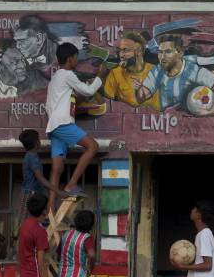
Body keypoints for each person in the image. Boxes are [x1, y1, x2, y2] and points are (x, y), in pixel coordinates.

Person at [45, 42, 108, 213]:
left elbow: (72, 99)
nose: (77, 62)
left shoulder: (56, 79)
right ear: (70, 59)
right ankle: (71, 185)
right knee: (92, 146)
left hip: (53, 126)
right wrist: (99, 77)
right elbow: (87, 92)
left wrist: (82, 90)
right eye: (76, 58)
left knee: (57, 168)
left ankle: (50, 208)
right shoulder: (67, 74)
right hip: (63, 123)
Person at [133, 34, 214, 116]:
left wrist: (211, 112)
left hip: (190, 126)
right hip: (168, 125)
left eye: (168, 52)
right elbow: (141, 98)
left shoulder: (192, 70)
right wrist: (138, 89)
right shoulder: (157, 70)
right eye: (160, 52)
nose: (162, 57)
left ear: (180, 53)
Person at [18, 129, 68, 226]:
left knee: (28, 223)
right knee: (26, 223)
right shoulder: (33, 158)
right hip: (30, 195)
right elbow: (40, 178)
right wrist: (58, 191)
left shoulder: (29, 156)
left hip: (32, 193)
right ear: (37, 143)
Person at [103, 31, 160, 111]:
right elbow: (108, 106)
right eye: (120, 50)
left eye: (125, 50)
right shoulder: (115, 73)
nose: (121, 55)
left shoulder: (156, 72)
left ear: (139, 51)